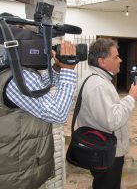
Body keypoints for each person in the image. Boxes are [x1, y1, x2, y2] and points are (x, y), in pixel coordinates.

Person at [0, 37, 77, 189]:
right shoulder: (17, 77)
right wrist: (68, 70)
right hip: (18, 171)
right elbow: (58, 114)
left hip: (18, 162)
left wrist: (56, 68)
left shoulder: (11, 70)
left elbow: (40, 88)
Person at [76, 38, 137, 189]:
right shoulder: (98, 84)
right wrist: (131, 98)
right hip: (106, 151)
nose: (120, 60)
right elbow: (112, 120)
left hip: (101, 147)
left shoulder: (97, 79)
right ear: (102, 61)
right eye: (115, 57)